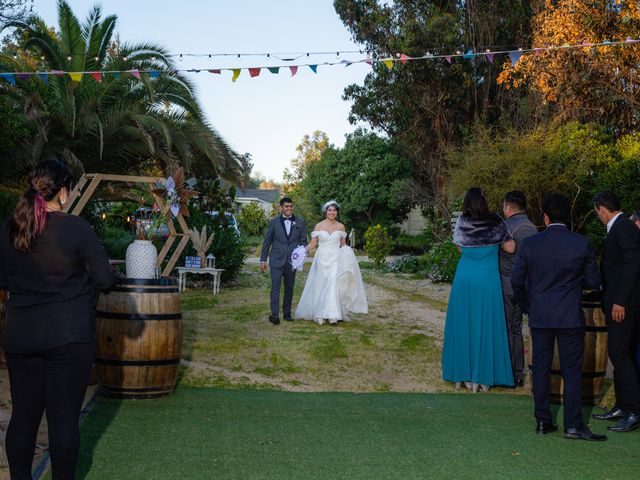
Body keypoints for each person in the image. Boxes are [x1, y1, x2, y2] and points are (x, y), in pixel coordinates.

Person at [0, 160, 118, 479]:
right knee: (63, 419)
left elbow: (4, 280)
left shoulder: (10, 229)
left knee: (23, 417)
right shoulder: (77, 228)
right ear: (63, 193)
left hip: (21, 336)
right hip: (69, 336)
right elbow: (105, 279)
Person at [511, 193, 606, 441]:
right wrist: (573, 284)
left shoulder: (531, 244)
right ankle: (573, 425)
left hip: (540, 314)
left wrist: (528, 306)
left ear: (545, 217)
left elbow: (516, 280)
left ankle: (543, 421)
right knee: (572, 371)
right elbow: (594, 283)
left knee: (540, 369)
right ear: (568, 216)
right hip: (569, 315)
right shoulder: (581, 243)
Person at [442, 187, 515, 392]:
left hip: (465, 277)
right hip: (487, 279)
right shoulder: (495, 220)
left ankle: (461, 376)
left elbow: (459, 247)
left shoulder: (462, 221)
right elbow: (511, 248)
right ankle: (483, 378)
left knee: (463, 324)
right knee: (486, 323)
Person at [592, 190, 640, 432]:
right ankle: (622, 405)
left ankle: (633, 410)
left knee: (620, 353)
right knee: (621, 354)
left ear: (601, 208)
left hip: (625, 305)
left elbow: (633, 264)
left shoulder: (622, 227)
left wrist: (620, 301)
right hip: (622, 303)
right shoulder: (622, 226)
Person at [295, 200, 367, 324]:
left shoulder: (341, 226)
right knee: (321, 283)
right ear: (325, 212)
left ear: (337, 212)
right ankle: (320, 314)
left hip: (335, 258)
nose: (332, 212)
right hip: (321, 258)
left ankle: (333, 314)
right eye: (330, 210)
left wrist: (348, 256)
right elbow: (313, 243)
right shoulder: (319, 226)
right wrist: (302, 251)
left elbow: (343, 244)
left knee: (332, 283)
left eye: (334, 210)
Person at [499, 191, 538, 387]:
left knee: (508, 328)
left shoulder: (504, 227)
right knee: (518, 329)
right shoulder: (533, 228)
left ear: (508, 208)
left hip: (507, 285)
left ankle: (509, 372)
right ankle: (518, 373)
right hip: (528, 287)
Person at [260, 197, 308, 325]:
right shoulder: (274, 222)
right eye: (286, 206)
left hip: (292, 261)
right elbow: (267, 242)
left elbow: (303, 242)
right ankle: (274, 314)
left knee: (289, 287)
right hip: (276, 260)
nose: (289, 209)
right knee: (275, 287)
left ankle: (287, 313)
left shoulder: (300, 222)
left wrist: (301, 255)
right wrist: (263, 260)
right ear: (281, 208)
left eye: (291, 206)